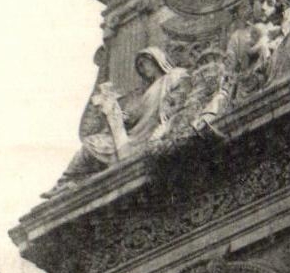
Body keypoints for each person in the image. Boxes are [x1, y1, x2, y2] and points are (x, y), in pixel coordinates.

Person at [53, 47, 190, 186]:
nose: (142, 69)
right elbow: (136, 117)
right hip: (132, 136)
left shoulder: (174, 75)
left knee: (94, 145)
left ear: (156, 60)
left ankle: (67, 181)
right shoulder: (146, 92)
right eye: (139, 66)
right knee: (90, 143)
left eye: (144, 63)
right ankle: (64, 182)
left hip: (146, 137)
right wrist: (121, 117)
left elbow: (179, 98)